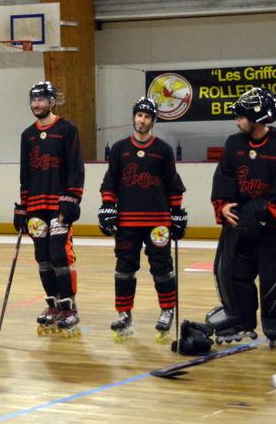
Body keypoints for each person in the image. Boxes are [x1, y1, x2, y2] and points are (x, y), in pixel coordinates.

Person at [207, 87, 276, 346]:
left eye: (241, 117)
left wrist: (259, 211)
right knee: (231, 271)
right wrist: (224, 205)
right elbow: (224, 177)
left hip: (273, 226)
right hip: (239, 221)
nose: (238, 121)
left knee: (275, 275)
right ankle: (240, 320)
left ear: (258, 118)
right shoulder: (233, 143)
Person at [98, 97, 187, 340]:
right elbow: (110, 182)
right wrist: (107, 207)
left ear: (153, 121)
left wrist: (177, 213)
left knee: (162, 269)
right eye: (139, 115)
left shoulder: (163, 150)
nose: (142, 119)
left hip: (158, 221)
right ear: (134, 117)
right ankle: (124, 313)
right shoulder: (119, 149)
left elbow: (173, 185)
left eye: (147, 116)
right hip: (127, 221)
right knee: (124, 269)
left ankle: (167, 310)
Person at [15, 81, 85, 336]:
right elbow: (25, 173)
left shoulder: (67, 130)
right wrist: (22, 207)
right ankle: (53, 305)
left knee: (59, 255)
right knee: (42, 258)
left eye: (41, 99)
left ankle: (69, 307)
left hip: (58, 205)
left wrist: (72, 198)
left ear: (52, 102)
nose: (36, 104)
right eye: (33, 99)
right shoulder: (27, 135)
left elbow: (76, 168)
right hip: (35, 205)